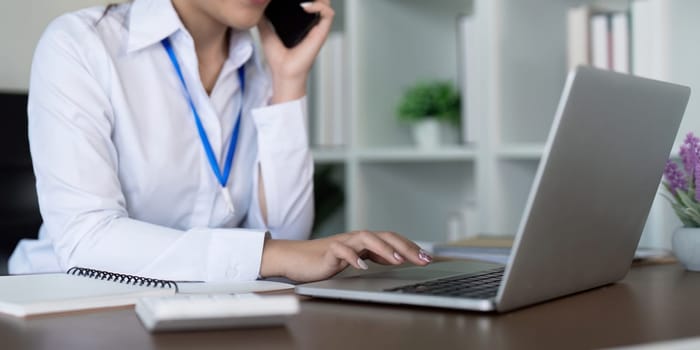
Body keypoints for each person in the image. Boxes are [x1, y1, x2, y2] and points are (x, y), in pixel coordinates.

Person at [8, 0, 432, 282]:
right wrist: (273, 256)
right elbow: (87, 239)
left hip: (198, 307)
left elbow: (287, 233)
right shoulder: (80, 45)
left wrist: (289, 79)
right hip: (68, 304)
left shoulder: (255, 70)